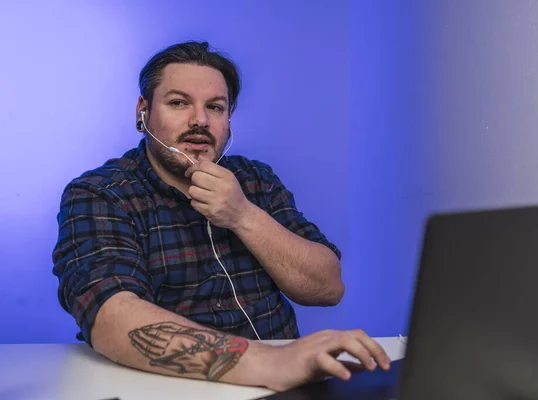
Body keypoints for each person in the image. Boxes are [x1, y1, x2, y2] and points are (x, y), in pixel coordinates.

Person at [52, 41, 390, 391]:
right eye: (178, 103)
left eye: (215, 107)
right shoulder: (100, 193)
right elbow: (111, 317)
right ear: (143, 112)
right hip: (174, 385)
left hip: (287, 384)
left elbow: (327, 287)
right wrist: (273, 362)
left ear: (229, 118)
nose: (200, 120)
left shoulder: (255, 179)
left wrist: (243, 214)